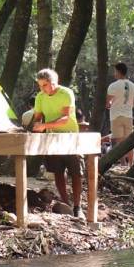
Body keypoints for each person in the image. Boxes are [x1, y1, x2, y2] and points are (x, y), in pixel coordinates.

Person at [32, 68, 84, 219]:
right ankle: (66, 204)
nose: (42, 89)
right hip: (52, 139)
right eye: (40, 85)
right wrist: (36, 126)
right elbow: (38, 117)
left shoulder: (66, 93)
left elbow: (65, 118)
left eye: (45, 85)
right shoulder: (40, 97)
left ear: (53, 83)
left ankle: (77, 206)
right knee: (58, 171)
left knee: (76, 172)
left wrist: (44, 126)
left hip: (70, 137)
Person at [105, 62, 134, 166]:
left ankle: (123, 164)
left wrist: (110, 104)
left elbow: (108, 102)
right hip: (128, 116)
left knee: (119, 142)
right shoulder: (133, 86)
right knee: (129, 142)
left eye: (115, 71)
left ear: (118, 71)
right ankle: (131, 165)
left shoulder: (113, 86)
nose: (114, 73)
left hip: (116, 116)